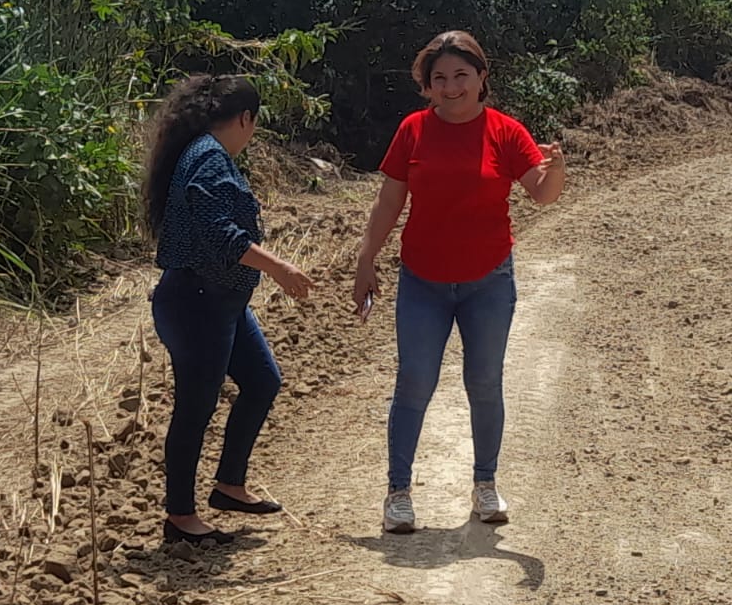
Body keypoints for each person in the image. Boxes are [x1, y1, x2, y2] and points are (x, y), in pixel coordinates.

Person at [352, 30, 565, 533]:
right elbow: (389, 200)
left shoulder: (505, 132)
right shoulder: (413, 130)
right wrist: (366, 258)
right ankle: (398, 492)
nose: (451, 88)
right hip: (422, 280)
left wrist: (555, 168)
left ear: (482, 78)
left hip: (488, 281)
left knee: (484, 382)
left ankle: (485, 484)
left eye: (461, 76)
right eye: (440, 78)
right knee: (414, 382)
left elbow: (542, 194)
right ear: (427, 85)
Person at [143, 74, 314, 544]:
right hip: (197, 302)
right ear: (245, 119)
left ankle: (229, 486)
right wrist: (279, 267)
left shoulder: (202, 153)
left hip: (220, 302)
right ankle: (180, 516)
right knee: (195, 408)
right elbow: (220, 234)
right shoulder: (209, 158)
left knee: (262, 381)